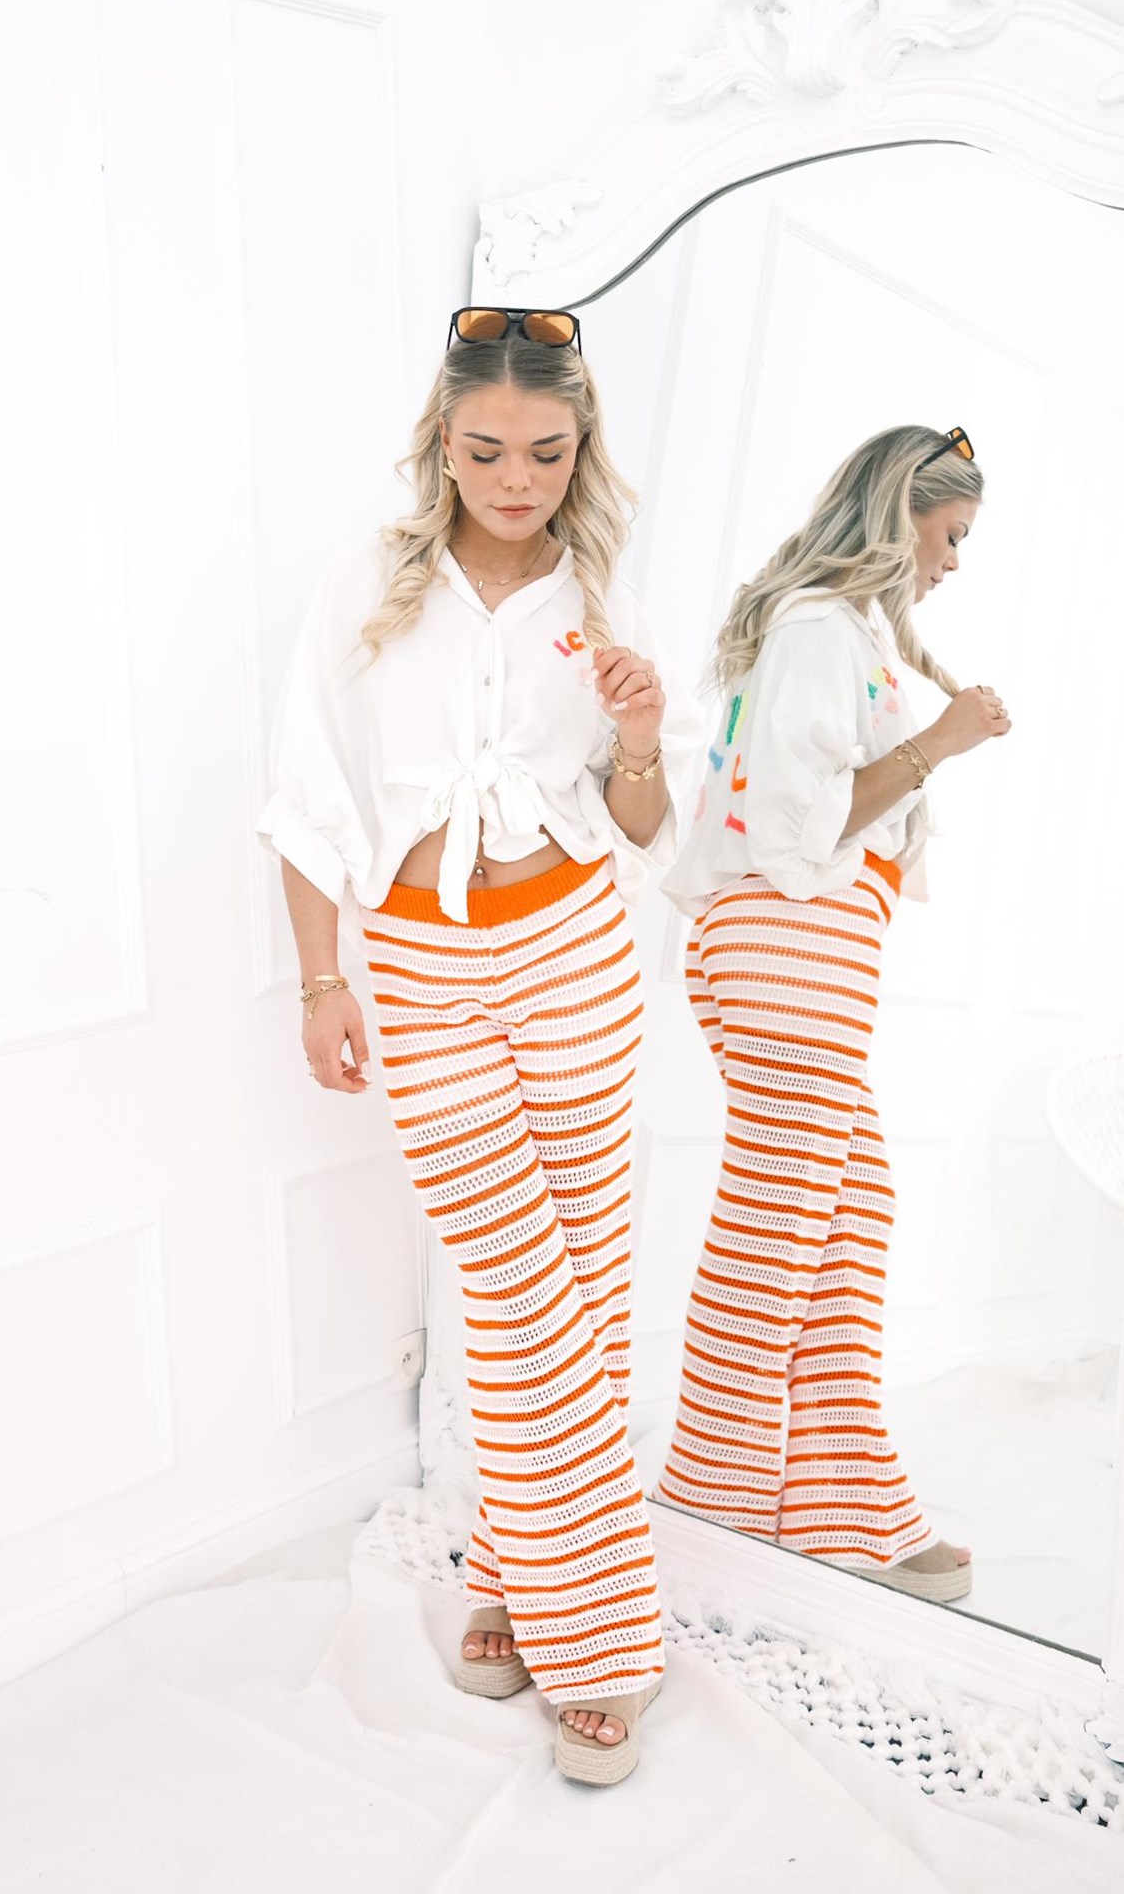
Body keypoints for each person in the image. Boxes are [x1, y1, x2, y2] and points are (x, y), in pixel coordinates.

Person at [258, 305, 704, 1782]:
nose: (517, 479)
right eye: (487, 449)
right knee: (513, 1282)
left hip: (574, 945)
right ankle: (608, 1638)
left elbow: (642, 824)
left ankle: (516, 1575)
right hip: (421, 960)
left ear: (583, 448)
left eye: (547, 452)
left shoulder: (604, 589)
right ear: (442, 442)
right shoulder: (368, 583)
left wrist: (637, 733)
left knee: (582, 1277)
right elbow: (306, 792)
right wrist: (320, 982)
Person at [655, 424, 1010, 1604]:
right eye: (949, 535)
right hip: (786, 937)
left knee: (844, 1213)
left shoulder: (841, 629)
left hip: (808, 946)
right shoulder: (815, 624)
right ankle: (714, 1506)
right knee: (781, 1228)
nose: (951, 562)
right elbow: (797, 825)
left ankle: (835, 1500)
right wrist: (938, 744)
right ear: (901, 512)